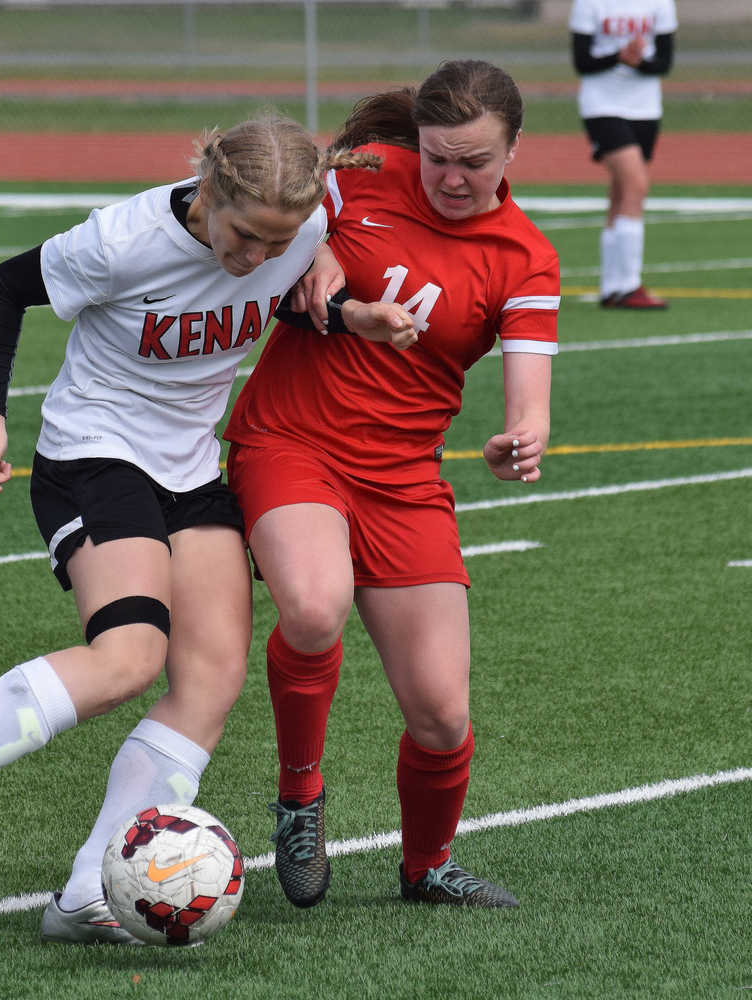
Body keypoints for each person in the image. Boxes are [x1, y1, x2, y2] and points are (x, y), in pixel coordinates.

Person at [0, 113, 378, 945]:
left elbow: (294, 275)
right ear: (211, 193)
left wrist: (340, 299)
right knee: (129, 657)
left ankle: (89, 889)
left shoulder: (306, 223)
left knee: (214, 676)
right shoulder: (122, 242)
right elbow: (7, 285)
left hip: (190, 470)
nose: (260, 257)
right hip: (94, 453)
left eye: (282, 241)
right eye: (247, 235)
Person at [223, 60, 560, 910]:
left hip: (405, 475)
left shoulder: (526, 258)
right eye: (439, 155)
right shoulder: (364, 176)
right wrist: (321, 247)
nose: (450, 177)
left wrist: (519, 440)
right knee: (311, 605)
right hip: (290, 441)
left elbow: (530, 398)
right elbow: (265, 223)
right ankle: (300, 799)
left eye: (474, 162)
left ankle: (426, 867)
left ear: (515, 148)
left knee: (444, 716)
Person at [570, 0, 678, 309]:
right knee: (636, 185)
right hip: (602, 106)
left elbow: (664, 63)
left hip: (645, 108)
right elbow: (581, 61)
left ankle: (612, 287)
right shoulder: (589, 4)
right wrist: (620, 56)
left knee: (621, 193)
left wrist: (638, 63)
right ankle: (629, 284)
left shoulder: (661, 4)